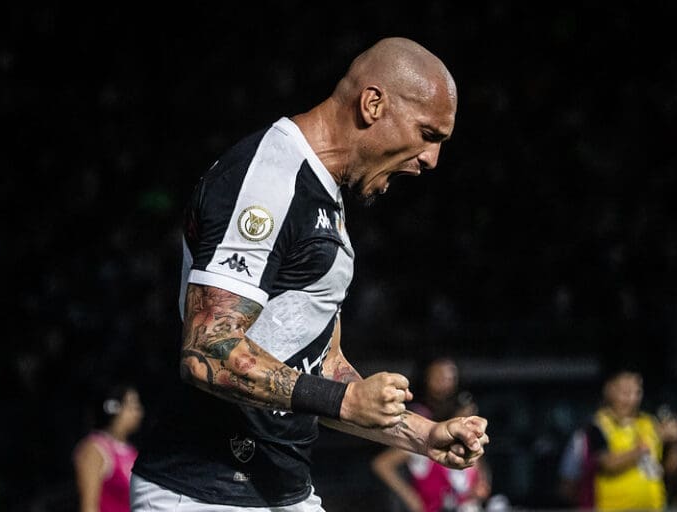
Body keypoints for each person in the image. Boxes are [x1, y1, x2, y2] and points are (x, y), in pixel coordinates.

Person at [130, 37, 489, 512]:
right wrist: (345, 401)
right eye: (428, 134)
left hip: (282, 489)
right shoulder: (268, 179)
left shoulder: (325, 196)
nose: (432, 159)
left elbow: (322, 368)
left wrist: (422, 435)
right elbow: (207, 349)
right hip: (202, 491)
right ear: (373, 104)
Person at [372, 357, 492, 512]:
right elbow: (382, 464)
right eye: (438, 377)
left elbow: (477, 457)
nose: (445, 384)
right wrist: (413, 500)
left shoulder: (464, 410)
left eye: (450, 378)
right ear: (426, 378)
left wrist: (482, 480)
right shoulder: (418, 418)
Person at [585, 370, 677, 511]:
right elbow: (607, 463)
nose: (632, 399)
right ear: (610, 391)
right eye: (626, 393)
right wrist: (648, 443)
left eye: (637, 392)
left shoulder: (649, 422)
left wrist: (675, 443)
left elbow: (670, 471)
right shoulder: (600, 424)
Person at [74, 383, 144, 512]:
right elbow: (89, 506)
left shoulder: (131, 451)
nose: (138, 413)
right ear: (114, 409)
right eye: (132, 406)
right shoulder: (95, 449)